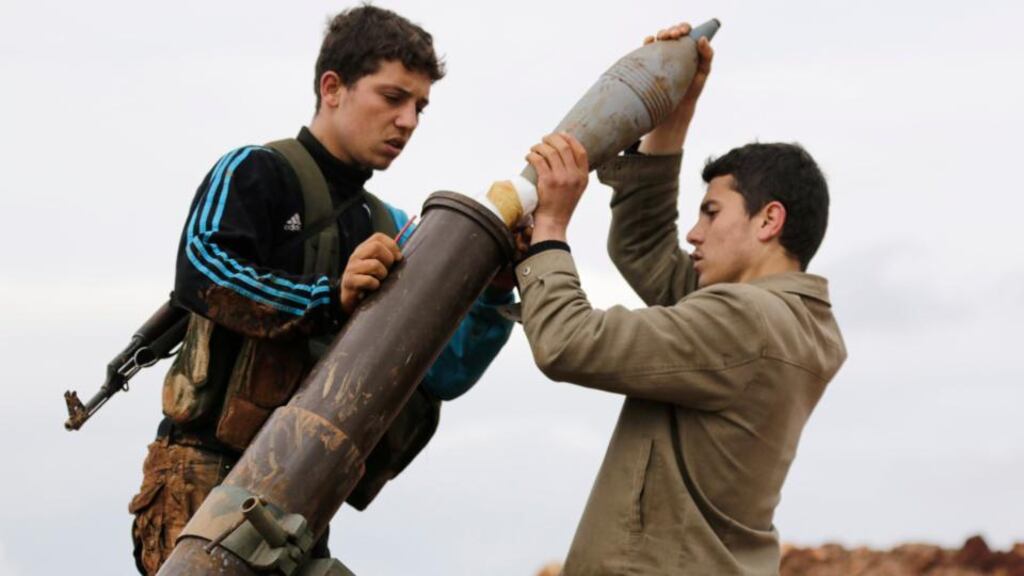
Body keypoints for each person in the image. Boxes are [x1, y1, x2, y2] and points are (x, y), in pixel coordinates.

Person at [127, 6, 514, 574]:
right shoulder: (256, 172)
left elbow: (441, 371)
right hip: (205, 477)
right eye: (392, 97)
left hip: (301, 496)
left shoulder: (385, 225)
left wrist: (494, 291)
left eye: (420, 106)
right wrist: (328, 296)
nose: (407, 120)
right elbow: (203, 269)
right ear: (333, 88)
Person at [517, 23, 847, 575]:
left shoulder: (745, 321)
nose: (693, 233)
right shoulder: (785, 323)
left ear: (770, 220)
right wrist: (673, 110)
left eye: (711, 212)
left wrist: (550, 226)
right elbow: (643, 245)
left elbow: (567, 342)